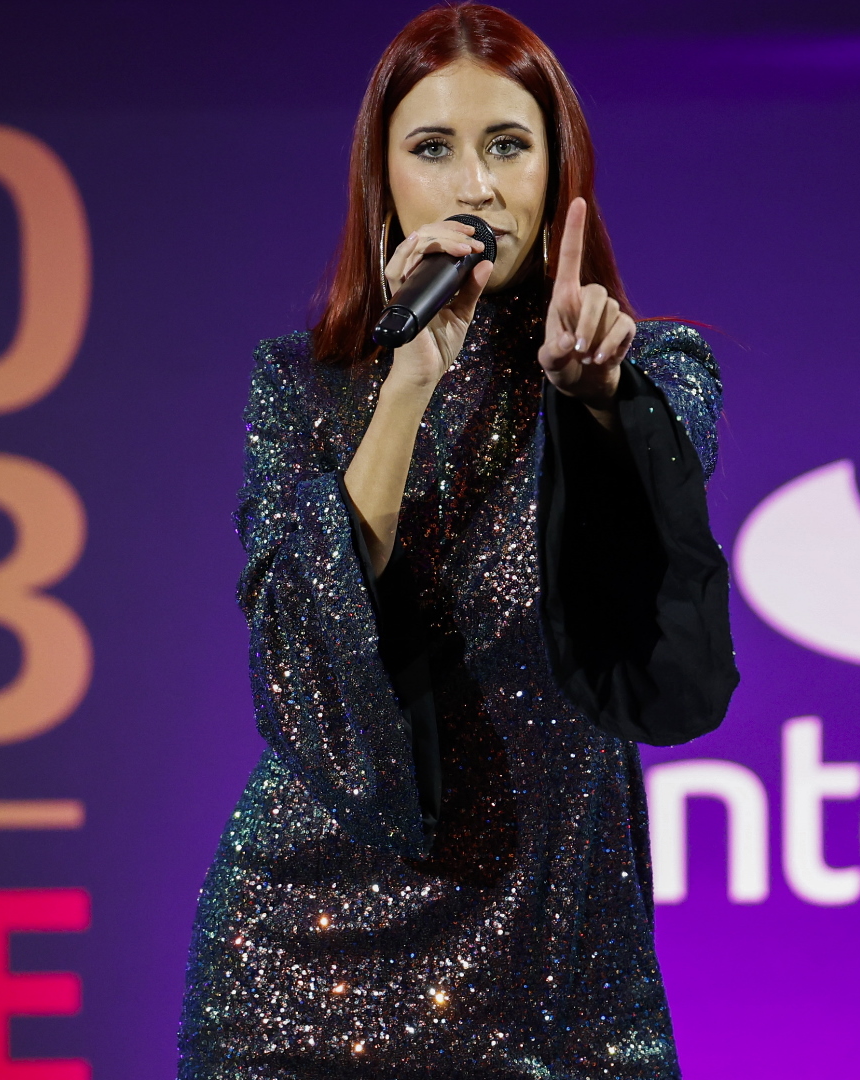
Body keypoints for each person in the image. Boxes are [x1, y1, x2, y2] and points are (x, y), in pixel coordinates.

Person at [178, 5, 737, 1077]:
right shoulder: (300, 388)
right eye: (433, 148)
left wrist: (595, 400)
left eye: (508, 146)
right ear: (382, 180)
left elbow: (647, 590)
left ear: (557, 172)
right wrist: (408, 381)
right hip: (305, 967)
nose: (474, 187)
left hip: (562, 975)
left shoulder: (648, 375)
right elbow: (299, 659)